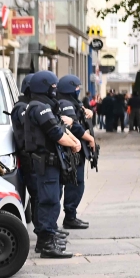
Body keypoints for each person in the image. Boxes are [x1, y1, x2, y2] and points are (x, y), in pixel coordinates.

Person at [24, 71, 81, 258]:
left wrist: (74, 140)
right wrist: (74, 144)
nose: (55, 90)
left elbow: (61, 128)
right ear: (44, 86)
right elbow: (56, 132)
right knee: (49, 201)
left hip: (50, 162)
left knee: (51, 199)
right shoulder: (40, 108)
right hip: (46, 163)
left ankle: (45, 240)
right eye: (53, 87)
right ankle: (47, 243)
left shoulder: (44, 105)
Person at [57, 75, 96, 230]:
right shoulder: (66, 103)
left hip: (74, 149)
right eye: (77, 87)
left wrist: (88, 112)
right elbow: (74, 127)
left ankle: (70, 216)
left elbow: (80, 117)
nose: (79, 90)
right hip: (72, 150)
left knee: (76, 183)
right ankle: (70, 217)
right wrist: (90, 138)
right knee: (76, 183)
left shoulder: (71, 102)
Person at [11, 74, 35, 223]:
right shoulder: (22, 108)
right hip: (28, 158)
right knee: (38, 197)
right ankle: (44, 237)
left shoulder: (30, 106)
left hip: (32, 158)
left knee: (41, 197)